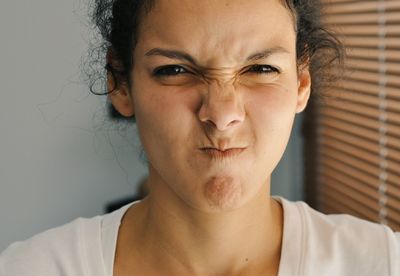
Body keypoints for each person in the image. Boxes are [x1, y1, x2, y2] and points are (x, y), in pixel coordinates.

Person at [1, 0, 399, 275]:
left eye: (260, 68)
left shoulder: (382, 264)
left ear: (302, 81)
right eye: (175, 70)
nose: (223, 115)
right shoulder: (32, 269)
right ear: (120, 83)